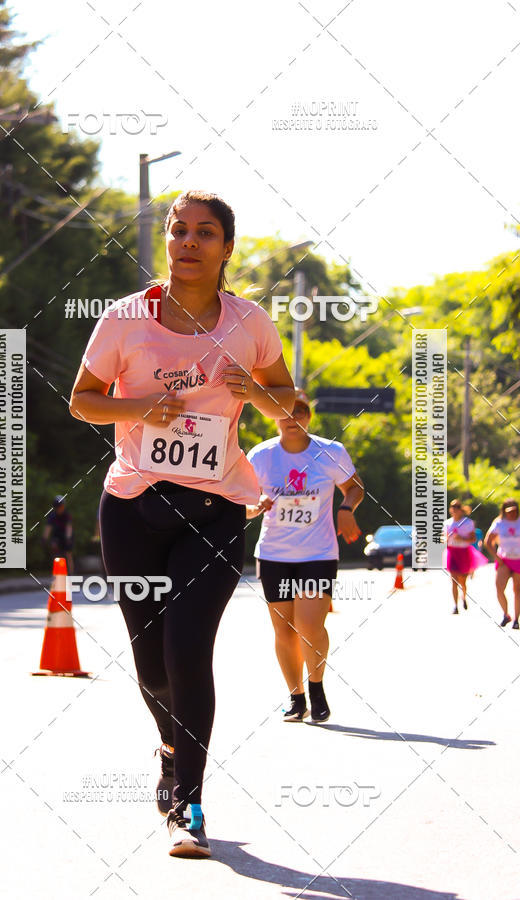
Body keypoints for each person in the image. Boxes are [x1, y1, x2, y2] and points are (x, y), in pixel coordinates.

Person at [69, 190, 294, 858]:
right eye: (178, 230)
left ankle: (188, 805)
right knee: (151, 665)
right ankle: (171, 746)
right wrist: (140, 408)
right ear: (167, 241)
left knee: (188, 652)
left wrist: (257, 393)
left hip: (215, 511)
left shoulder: (250, 323)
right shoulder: (124, 319)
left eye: (205, 232)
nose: (189, 242)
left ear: (227, 248)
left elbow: (294, 407)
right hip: (133, 509)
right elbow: (83, 402)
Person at [246, 389, 364, 725]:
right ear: (274, 416)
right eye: (284, 411)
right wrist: (255, 506)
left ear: (309, 415)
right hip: (274, 554)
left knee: (309, 625)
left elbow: (355, 487)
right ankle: (296, 698)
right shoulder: (261, 456)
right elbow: (241, 502)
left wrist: (346, 508)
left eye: (299, 410)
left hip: (318, 553)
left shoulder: (330, 452)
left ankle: (316, 688)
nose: (292, 417)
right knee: (284, 631)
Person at [442, 500, 488, 614]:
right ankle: (455, 606)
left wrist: (461, 538)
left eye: (457, 507)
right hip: (452, 552)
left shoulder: (468, 523)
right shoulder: (447, 523)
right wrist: (446, 539)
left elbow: (473, 539)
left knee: (462, 580)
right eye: (452, 507)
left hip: (463, 552)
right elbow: (443, 538)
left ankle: (463, 596)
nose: (454, 509)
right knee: (453, 580)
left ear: (461, 509)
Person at [484, 498, 520, 628]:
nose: (512, 513)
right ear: (504, 511)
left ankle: (516, 619)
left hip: (518, 559)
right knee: (499, 587)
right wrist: (496, 557)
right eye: (509, 510)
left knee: (517, 590)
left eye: (514, 510)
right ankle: (506, 614)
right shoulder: (499, 523)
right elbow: (488, 541)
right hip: (504, 559)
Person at [42, 495, 74, 574]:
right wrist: (44, 538)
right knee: (55, 551)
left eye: (62, 506)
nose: (60, 508)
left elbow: (69, 527)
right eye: (58, 507)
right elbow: (48, 528)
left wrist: (68, 538)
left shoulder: (67, 515)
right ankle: (57, 573)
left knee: (68, 554)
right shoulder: (52, 516)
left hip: (66, 535)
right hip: (56, 535)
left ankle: (71, 574)